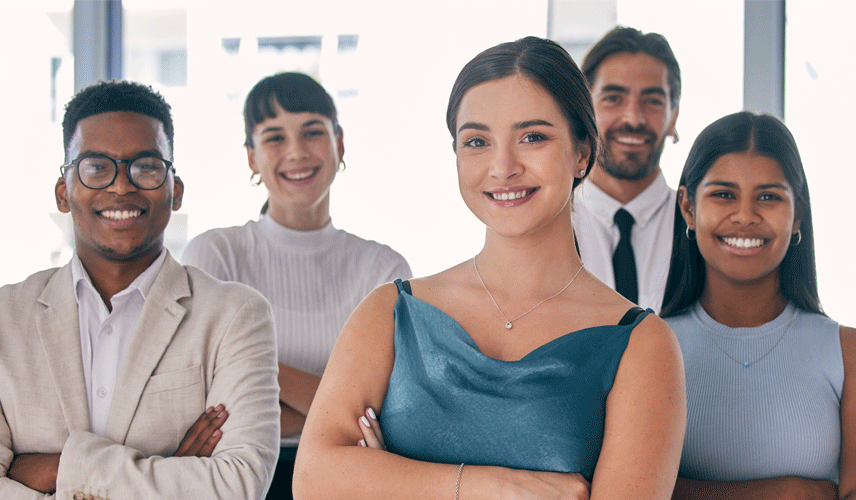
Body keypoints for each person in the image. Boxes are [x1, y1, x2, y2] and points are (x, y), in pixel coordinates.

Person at [293, 36, 685, 500]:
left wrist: (389, 478)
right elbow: (315, 480)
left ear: (583, 152)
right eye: (477, 141)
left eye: (533, 137)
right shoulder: (392, 312)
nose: (502, 167)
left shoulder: (640, 344)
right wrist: (492, 485)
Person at [0, 81, 280, 499]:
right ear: (64, 192)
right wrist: (170, 472)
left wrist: (62, 469)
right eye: (97, 167)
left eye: (146, 166)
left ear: (175, 192)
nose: (121, 186)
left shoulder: (235, 315)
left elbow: (237, 485)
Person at [181, 71, 411, 499]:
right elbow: (202, 406)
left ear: (339, 143)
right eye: (273, 138)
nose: (297, 152)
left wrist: (249, 367)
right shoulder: (216, 255)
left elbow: (394, 412)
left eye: (312, 132)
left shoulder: (384, 269)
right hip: (233, 477)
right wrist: (342, 405)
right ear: (251, 158)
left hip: (346, 480)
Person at [662, 111, 856, 499]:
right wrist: (789, 493)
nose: (745, 217)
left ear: (797, 215)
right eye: (723, 194)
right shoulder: (643, 347)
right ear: (688, 207)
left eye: (769, 197)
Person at [572, 26, 681, 311]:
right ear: (585, 109)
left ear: (674, 117)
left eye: (653, 101)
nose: (633, 118)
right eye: (613, 98)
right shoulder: (548, 224)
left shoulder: (701, 228)